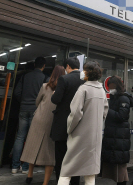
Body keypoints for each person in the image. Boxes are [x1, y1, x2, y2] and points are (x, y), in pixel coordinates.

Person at [57, 61, 109, 185]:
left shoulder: (83, 89)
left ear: (87, 73)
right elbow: (105, 111)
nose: (82, 72)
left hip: (80, 136)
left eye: (84, 70)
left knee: (66, 171)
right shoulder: (101, 90)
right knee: (90, 173)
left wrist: (69, 129)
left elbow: (75, 114)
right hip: (95, 137)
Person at [21, 65, 63, 184]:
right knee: (49, 152)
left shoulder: (45, 86)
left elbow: (37, 101)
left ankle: (29, 176)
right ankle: (45, 182)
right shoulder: (63, 89)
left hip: (39, 119)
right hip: (53, 121)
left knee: (32, 147)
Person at [51, 57, 85, 185]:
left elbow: (56, 99)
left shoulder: (64, 79)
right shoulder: (84, 80)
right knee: (75, 158)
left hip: (62, 125)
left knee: (61, 158)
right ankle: (75, 182)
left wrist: (54, 93)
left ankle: (62, 181)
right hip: (78, 125)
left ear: (68, 67)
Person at [12, 57, 47, 174]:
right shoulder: (44, 79)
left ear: (34, 65)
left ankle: (14, 166)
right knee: (31, 138)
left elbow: (17, 92)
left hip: (23, 108)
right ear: (44, 66)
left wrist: (23, 101)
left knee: (20, 137)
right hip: (35, 110)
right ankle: (25, 167)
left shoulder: (25, 76)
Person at [102, 76, 133, 185]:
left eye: (112, 86)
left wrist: (106, 110)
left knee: (120, 166)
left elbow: (122, 116)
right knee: (116, 165)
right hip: (114, 135)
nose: (110, 88)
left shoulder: (123, 98)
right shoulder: (114, 97)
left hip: (120, 136)